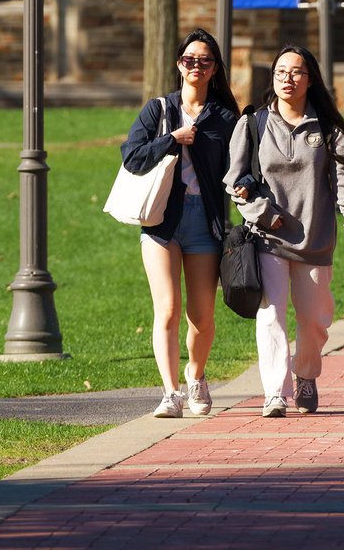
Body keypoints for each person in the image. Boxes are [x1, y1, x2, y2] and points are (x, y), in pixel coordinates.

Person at [224, 44, 344, 418]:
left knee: (314, 321)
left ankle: (306, 376)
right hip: (268, 239)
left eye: (295, 72)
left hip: (315, 239)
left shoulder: (328, 129)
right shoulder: (253, 123)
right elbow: (234, 181)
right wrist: (262, 213)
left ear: (310, 80)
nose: (287, 79)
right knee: (271, 315)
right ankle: (274, 392)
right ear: (272, 78)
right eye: (280, 72)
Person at [120, 29, 239, 418]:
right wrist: (173, 138)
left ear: (215, 68)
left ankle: (197, 376)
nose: (196, 66)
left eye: (205, 61)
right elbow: (132, 158)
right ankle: (170, 392)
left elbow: (241, 166)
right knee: (168, 310)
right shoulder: (158, 110)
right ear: (179, 65)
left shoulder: (225, 117)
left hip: (205, 222)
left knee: (201, 316)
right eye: (190, 60)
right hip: (161, 222)